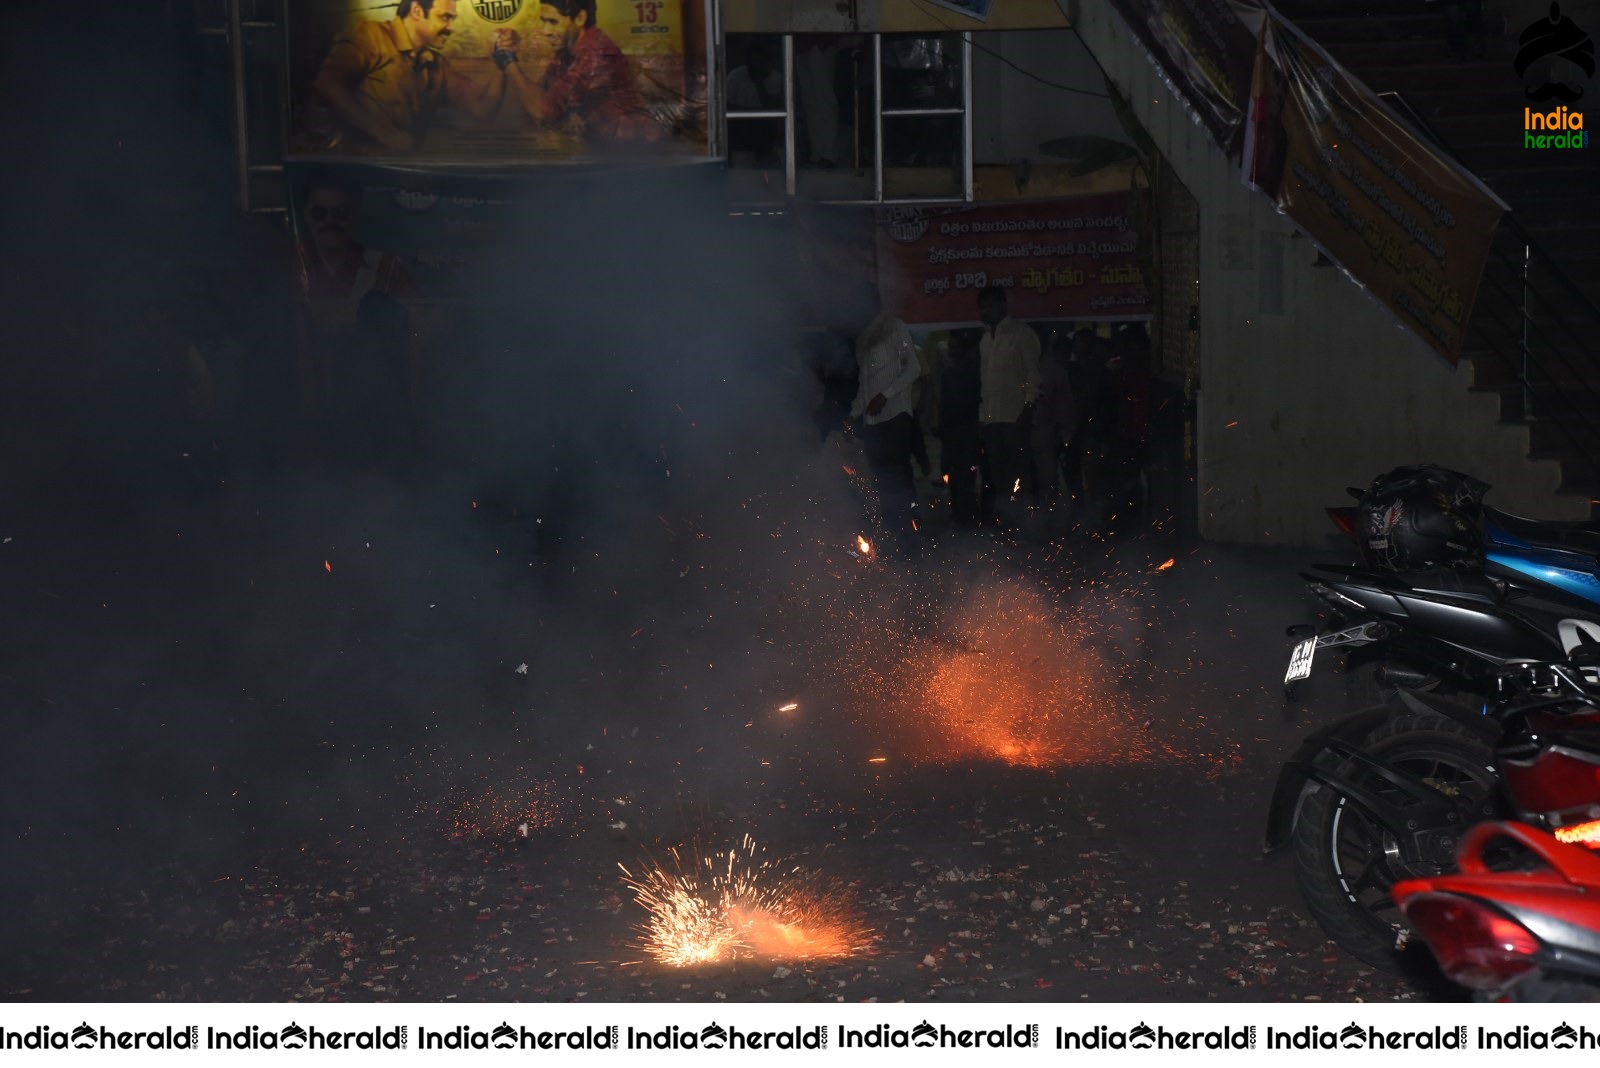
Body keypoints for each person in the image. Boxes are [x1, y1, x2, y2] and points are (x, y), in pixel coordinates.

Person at [291, 169, 420, 465]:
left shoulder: (384, 268)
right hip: (321, 424)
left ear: (355, 215)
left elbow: (416, 330)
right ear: (306, 216)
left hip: (381, 426)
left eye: (340, 212)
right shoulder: (288, 269)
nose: (330, 222)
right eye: (320, 213)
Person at [310, 0, 504, 153]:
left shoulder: (437, 64)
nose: (452, 27)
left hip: (404, 174)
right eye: (445, 17)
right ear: (417, 11)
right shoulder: (370, 35)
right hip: (358, 173)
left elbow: (483, 109)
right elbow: (326, 84)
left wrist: (502, 62)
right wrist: (386, 135)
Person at [498, 0, 662, 146]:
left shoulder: (597, 53)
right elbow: (541, 97)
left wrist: (508, 61)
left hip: (632, 151)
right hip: (605, 149)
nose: (546, 31)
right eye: (544, 22)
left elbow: (543, 111)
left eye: (553, 22)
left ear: (580, 18)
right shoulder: (568, 51)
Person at [850, 289, 922, 547]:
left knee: (900, 477)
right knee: (881, 481)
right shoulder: (863, 339)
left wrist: (886, 395)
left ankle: (912, 530)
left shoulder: (895, 327)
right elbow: (864, 386)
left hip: (896, 417)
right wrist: (853, 413)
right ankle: (893, 534)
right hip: (873, 425)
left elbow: (914, 368)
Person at [976, 286, 1039, 529]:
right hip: (993, 421)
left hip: (1016, 418)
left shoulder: (1021, 334)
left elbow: (1033, 374)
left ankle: (1025, 527)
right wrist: (983, 418)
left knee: (1018, 477)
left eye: (990, 305)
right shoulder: (985, 340)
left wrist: (1028, 407)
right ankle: (1008, 527)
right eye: (982, 307)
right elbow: (985, 384)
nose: (985, 311)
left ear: (1003, 305)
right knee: (1000, 479)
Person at [936, 329, 983, 527]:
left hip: (967, 431)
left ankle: (967, 514)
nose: (952, 351)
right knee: (953, 474)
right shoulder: (948, 373)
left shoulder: (972, 372)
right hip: (952, 433)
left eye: (955, 347)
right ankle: (959, 513)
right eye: (950, 347)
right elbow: (944, 403)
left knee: (966, 475)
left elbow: (972, 402)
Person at [1030, 330, 1078, 516]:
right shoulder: (1015, 366)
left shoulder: (1054, 371)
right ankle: (1025, 520)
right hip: (1021, 432)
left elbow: (1064, 407)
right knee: (1024, 481)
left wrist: (1066, 436)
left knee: (1047, 480)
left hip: (1044, 434)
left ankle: (1044, 519)